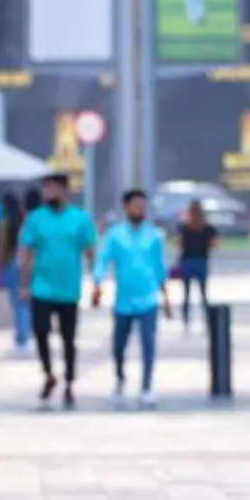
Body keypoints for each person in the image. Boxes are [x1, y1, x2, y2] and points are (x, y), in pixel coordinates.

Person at [19, 173, 98, 410]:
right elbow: (26, 253)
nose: (48, 193)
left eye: (52, 188)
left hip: (69, 289)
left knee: (68, 338)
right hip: (41, 288)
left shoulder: (80, 219)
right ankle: (48, 373)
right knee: (41, 331)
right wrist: (23, 284)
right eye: (46, 189)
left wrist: (95, 281)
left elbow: (89, 249)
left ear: (64, 190)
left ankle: (70, 382)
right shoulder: (36, 219)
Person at [93, 189, 172, 408]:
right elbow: (103, 260)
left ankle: (146, 387)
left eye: (142, 205)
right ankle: (119, 376)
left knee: (148, 343)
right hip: (124, 301)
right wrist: (97, 284)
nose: (140, 209)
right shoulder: (115, 235)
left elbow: (158, 267)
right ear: (126, 207)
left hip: (148, 299)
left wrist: (165, 296)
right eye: (135, 205)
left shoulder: (154, 236)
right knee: (119, 344)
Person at [0, 191, 32, 350]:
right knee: (25, 301)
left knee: (17, 303)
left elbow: (1, 249)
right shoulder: (24, 222)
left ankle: (22, 336)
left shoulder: (4, 224)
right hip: (26, 264)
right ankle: (25, 334)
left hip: (12, 265)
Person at [177, 199, 218, 329]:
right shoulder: (202, 228)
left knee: (191, 293)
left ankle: (188, 319)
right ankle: (197, 318)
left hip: (193, 260)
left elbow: (179, 243)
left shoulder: (202, 228)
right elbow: (214, 244)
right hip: (196, 260)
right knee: (198, 292)